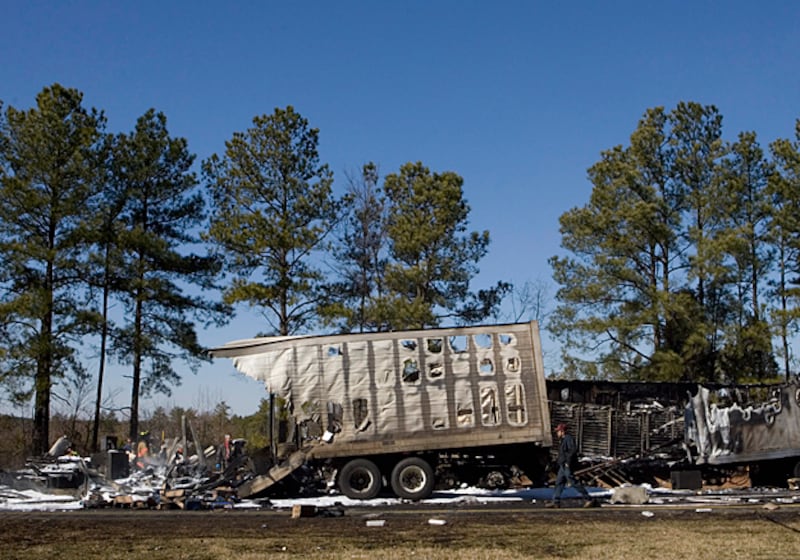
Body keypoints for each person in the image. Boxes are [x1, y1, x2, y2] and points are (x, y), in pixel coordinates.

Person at [546, 423, 598, 508]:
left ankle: (589, 499)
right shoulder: (563, 440)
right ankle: (556, 501)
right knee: (559, 483)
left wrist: (568, 462)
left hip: (567, 465)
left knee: (573, 482)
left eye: (558, 431)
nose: (557, 433)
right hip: (562, 465)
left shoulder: (568, 439)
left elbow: (572, 451)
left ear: (562, 431)